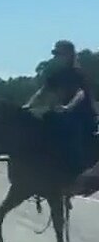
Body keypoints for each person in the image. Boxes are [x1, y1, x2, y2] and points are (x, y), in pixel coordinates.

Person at [24, 39, 96, 175]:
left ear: (69, 55)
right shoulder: (56, 74)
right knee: (42, 122)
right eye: (55, 54)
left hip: (82, 115)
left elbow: (80, 93)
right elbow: (42, 91)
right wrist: (29, 105)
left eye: (59, 53)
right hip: (62, 113)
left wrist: (68, 107)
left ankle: (76, 170)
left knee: (72, 130)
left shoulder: (77, 73)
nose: (56, 57)